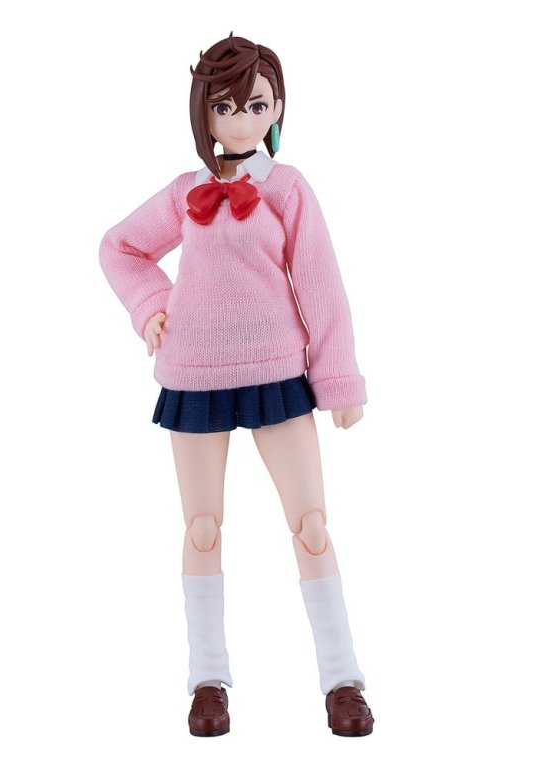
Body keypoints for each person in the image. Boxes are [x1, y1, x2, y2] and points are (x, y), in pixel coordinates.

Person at [99, 32, 374, 737]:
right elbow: (120, 247)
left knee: (311, 525)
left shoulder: (288, 189)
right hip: (193, 375)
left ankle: (342, 677)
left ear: (276, 108)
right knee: (201, 527)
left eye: (256, 104)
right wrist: (151, 307)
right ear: (204, 114)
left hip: (278, 374)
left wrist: (337, 377)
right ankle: (207, 680)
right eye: (225, 106)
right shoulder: (184, 192)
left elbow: (321, 284)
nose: (242, 119)